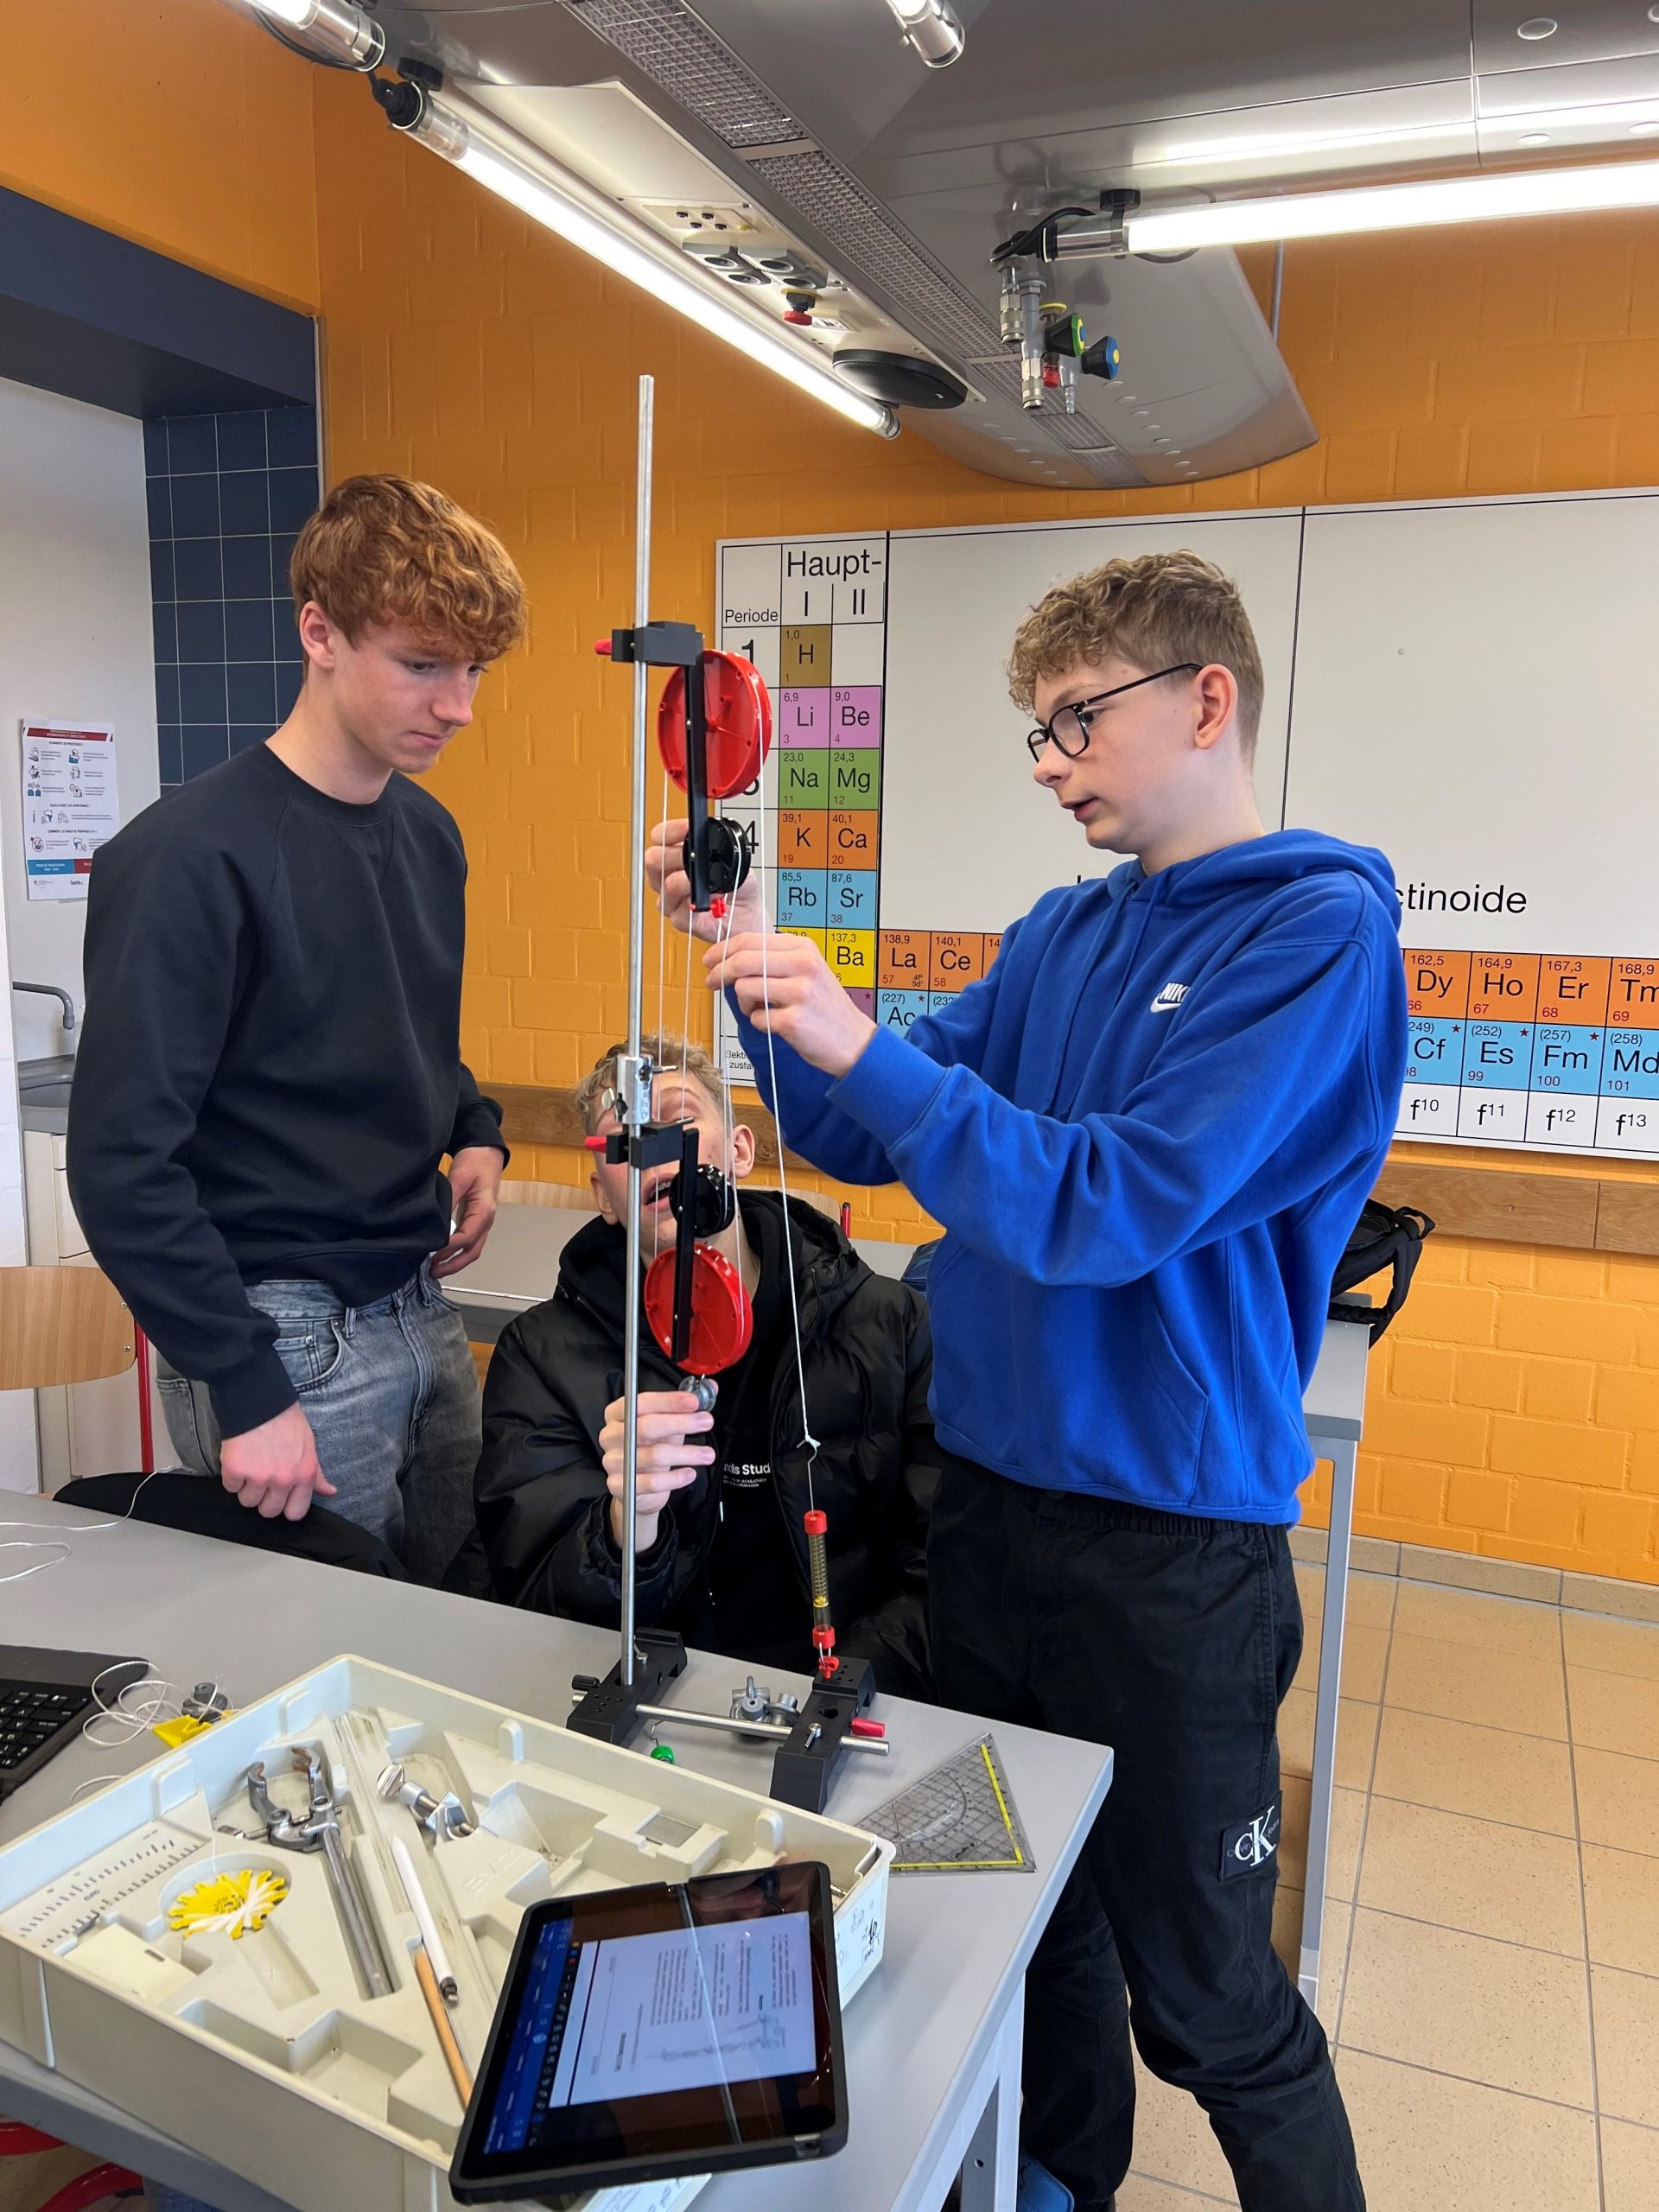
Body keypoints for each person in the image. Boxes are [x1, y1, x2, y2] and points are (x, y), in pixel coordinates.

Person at [651, 551, 1405, 2212]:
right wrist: (761, 969)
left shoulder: (1319, 934)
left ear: (1207, 701)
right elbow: (864, 1126)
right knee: (1031, 1918)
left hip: (1165, 1555)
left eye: (1079, 719)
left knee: (1209, 2005)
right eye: (1037, 733)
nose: (1053, 762)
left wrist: (863, 1046)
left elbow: (1109, 1203)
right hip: (989, 1519)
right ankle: (1063, 2187)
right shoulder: (1063, 932)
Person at [67, 474, 526, 1585]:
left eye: (473, 670)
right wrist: (244, 1384)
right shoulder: (185, 859)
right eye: (423, 665)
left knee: (461, 1616)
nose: (458, 706)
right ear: (319, 633)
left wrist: (474, 1128)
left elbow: (394, 1030)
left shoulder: (430, 836)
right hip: (281, 1334)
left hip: (420, 1300)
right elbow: (120, 1163)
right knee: (323, 1654)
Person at [472, 1033, 938, 1697]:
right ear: (605, 1196)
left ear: (741, 1152)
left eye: (680, 1120)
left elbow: (939, 1569)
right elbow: (537, 1600)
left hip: (850, 1695)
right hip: (657, 1694)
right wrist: (623, 1528)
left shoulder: (890, 1325)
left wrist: (844, 1690)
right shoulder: (539, 1357)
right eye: (625, 1140)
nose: (657, 1154)